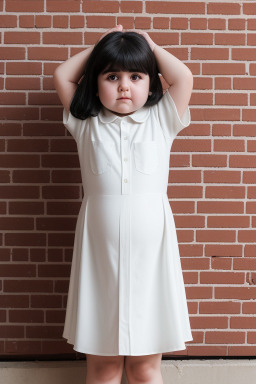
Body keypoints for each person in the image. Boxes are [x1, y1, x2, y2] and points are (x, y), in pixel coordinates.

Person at [53, 24, 193, 384]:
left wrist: (148, 44)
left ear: (151, 83)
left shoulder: (162, 120)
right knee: (104, 368)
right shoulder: (87, 123)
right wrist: (102, 45)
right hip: (99, 259)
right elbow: (62, 76)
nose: (124, 86)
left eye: (135, 76)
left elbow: (183, 77)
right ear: (95, 83)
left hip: (152, 260)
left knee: (145, 369)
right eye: (112, 76)